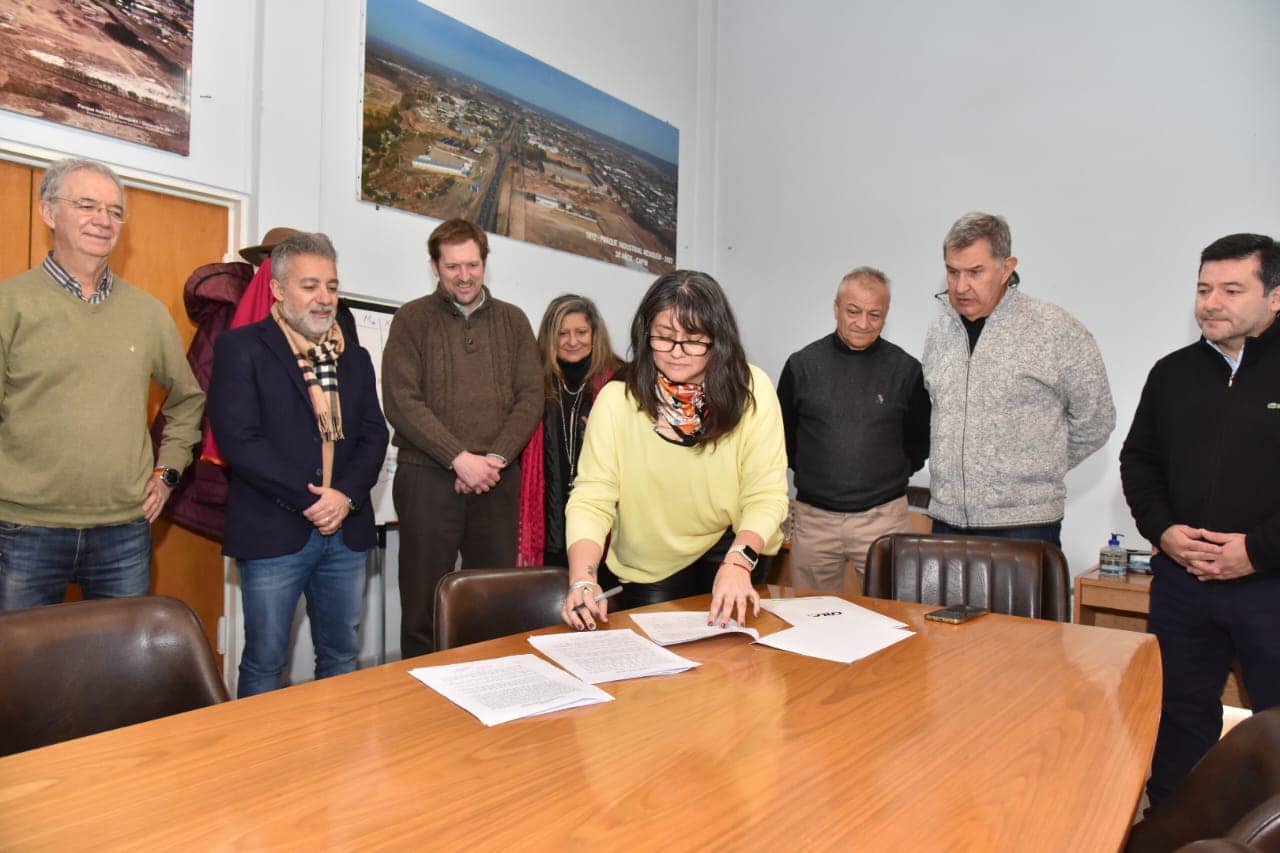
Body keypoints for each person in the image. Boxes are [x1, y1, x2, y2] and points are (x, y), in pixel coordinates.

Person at [1120, 233, 1280, 810]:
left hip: (1270, 586)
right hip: (1183, 586)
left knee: (1277, 728)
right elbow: (1137, 461)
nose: (1211, 302)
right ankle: (1170, 827)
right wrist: (1162, 531)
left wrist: (1257, 551)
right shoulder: (1172, 373)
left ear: (1276, 297)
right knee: (1178, 715)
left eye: (1232, 289)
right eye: (1204, 288)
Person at [0, 158, 204, 610]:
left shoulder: (148, 313)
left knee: (120, 673)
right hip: (23, 531)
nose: (103, 220)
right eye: (87, 205)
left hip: (123, 531)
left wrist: (168, 473)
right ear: (49, 213)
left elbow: (189, 400)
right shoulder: (9, 303)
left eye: (114, 211)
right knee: (19, 675)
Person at [208, 232, 388, 697]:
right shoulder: (241, 347)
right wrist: (313, 501)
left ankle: (334, 763)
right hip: (274, 531)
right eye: (310, 286)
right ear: (278, 289)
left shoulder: (356, 356)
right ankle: (262, 766)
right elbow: (240, 441)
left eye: (331, 286)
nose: (324, 298)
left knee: (340, 655)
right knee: (265, 662)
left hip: (345, 533)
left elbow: (374, 434)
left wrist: (344, 497)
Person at [562, 270, 788, 631]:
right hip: (650, 562)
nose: (677, 353)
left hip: (736, 546)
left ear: (718, 338)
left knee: (739, 669)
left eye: (694, 340)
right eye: (665, 338)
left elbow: (766, 495)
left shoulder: (752, 388)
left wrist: (739, 561)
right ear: (646, 334)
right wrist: (583, 578)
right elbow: (592, 497)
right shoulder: (617, 400)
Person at [382, 219, 541, 657]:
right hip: (426, 480)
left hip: (497, 478)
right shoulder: (411, 319)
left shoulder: (514, 321)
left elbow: (530, 397)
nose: (464, 275)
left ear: (485, 263)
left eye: (472, 264)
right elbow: (400, 401)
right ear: (435, 266)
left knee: (492, 601)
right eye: (453, 266)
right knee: (422, 605)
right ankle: (421, 706)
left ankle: (488, 695)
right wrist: (458, 458)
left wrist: (494, 458)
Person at [922, 211, 1114, 547]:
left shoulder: (1054, 329)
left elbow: (1096, 419)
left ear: (1007, 268)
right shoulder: (940, 332)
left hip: (1025, 525)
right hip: (947, 521)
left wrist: (1035, 467)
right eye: (952, 272)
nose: (961, 285)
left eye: (975, 272)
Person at [778, 266, 930, 593]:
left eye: (875, 314)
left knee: (893, 618)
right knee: (809, 617)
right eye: (853, 311)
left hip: (883, 519)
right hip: (814, 520)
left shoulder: (906, 370)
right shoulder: (801, 365)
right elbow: (783, 438)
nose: (863, 323)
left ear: (886, 315)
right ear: (836, 308)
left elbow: (919, 442)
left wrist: (889, 476)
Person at [517, 294, 623, 567]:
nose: (573, 341)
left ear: (595, 334)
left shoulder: (622, 380)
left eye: (581, 332)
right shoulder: (533, 382)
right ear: (550, 338)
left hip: (608, 526)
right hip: (549, 520)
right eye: (562, 334)